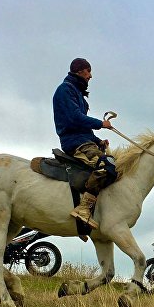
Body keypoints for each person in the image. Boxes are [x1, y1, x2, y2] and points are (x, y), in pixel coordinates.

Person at [52, 58, 117, 229]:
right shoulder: (65, 90)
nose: (91, 76)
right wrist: (100, 124)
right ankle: (83, 209)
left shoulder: (76, 92)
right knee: (106, 166)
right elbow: (74, 118)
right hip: (74, 143)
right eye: (88, 71)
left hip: (83, 140)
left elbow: (82, 128)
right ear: (79, 71)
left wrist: (98, 141)